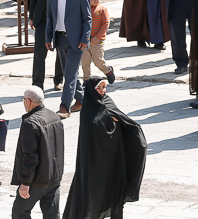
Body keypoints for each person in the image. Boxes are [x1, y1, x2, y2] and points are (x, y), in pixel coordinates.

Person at [63, 77, 148, 218]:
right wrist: (109, 120)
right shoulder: (88, 108)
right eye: (99, 88)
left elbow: (123, 120)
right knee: (93, 196)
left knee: (115, 191)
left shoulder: (107, 100)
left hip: (113, 157)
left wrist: (113, 120)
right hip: (94, 161)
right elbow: (94, 129)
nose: (102, 91)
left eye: (104, 87)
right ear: (92, 90)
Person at [45, 0, 91, 119]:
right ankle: (83, 100)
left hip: (76, 40)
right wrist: (48, 37)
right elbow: (50, 17)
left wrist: (85, 38)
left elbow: (87, 18)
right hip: (59, 38)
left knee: (70, 74)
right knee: (69, 72)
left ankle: (64, 106)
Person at [11, 86, 64, 219]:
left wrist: (25, 183)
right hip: (54, 176)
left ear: (28, 101)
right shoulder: (54, 116)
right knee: (52, 215)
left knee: (20, 212)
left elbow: (30, 156)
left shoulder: (30, 123)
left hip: (37, 179)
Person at [80, 0, 115, 85]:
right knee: (85, 62)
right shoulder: (83, 9)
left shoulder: (102, 9)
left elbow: (105, 24)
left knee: (98, 61)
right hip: (85, 40)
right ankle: (86, 80)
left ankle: (108, 70)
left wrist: (97, 37)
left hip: (97, 41)